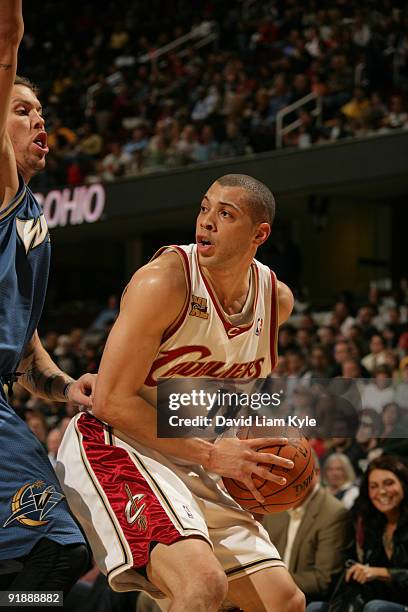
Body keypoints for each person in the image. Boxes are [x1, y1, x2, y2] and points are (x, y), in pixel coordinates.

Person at [57, 173, 306, 612]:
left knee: (285, 602)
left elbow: (237, 400)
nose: (206, 221)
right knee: (202, 586)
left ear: (259, 234)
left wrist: (263, 453)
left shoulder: (276, 301)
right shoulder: (165, 281)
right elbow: (111, 402)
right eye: (204, 208)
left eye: (225, 214)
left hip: (192, 451)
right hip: (119, 444)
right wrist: (212, 455)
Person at [0, 0, 95, 595]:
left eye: (41, 112)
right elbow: (6, 40)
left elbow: (28, 355)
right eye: (21, 109)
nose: (40, 121)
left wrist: (67, 388)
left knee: (33, 561)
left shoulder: (32, 217)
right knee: (57, 549)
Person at [307, 455, 408, 612]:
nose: (381, 491)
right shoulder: (369, 523)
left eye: (388, 483)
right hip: (376, 596)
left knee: (375, 608)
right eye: (373, 486)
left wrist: (383, 573)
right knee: (315, 608)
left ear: (403, 484)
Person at [264, 453, 353, 604]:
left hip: (307, 600)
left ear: (316, 473)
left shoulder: (334, 513)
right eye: (282, 474)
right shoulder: (275, 505)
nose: (288, 481)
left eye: (296, 474)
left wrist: (269, 583)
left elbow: (323, 580)